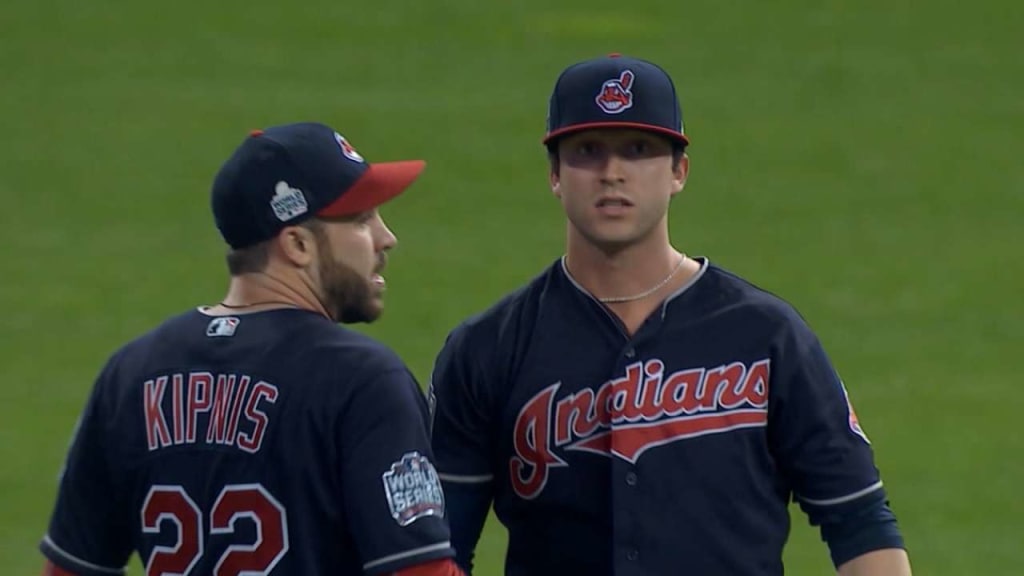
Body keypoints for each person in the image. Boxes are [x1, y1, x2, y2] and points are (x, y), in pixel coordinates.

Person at [428, 54, 913, 575]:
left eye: (638, 150)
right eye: (588, 152)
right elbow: (438, 549)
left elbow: (858, 518)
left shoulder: (766, 336)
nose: (612, 174)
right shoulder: (486, 350)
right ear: (555, 174)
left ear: (678, 171)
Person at [39, 122, 464, 576]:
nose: (386, 238)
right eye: (361, 221)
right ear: (298, 244)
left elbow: (70, 570)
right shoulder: (362, 382)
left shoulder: (131, 374)